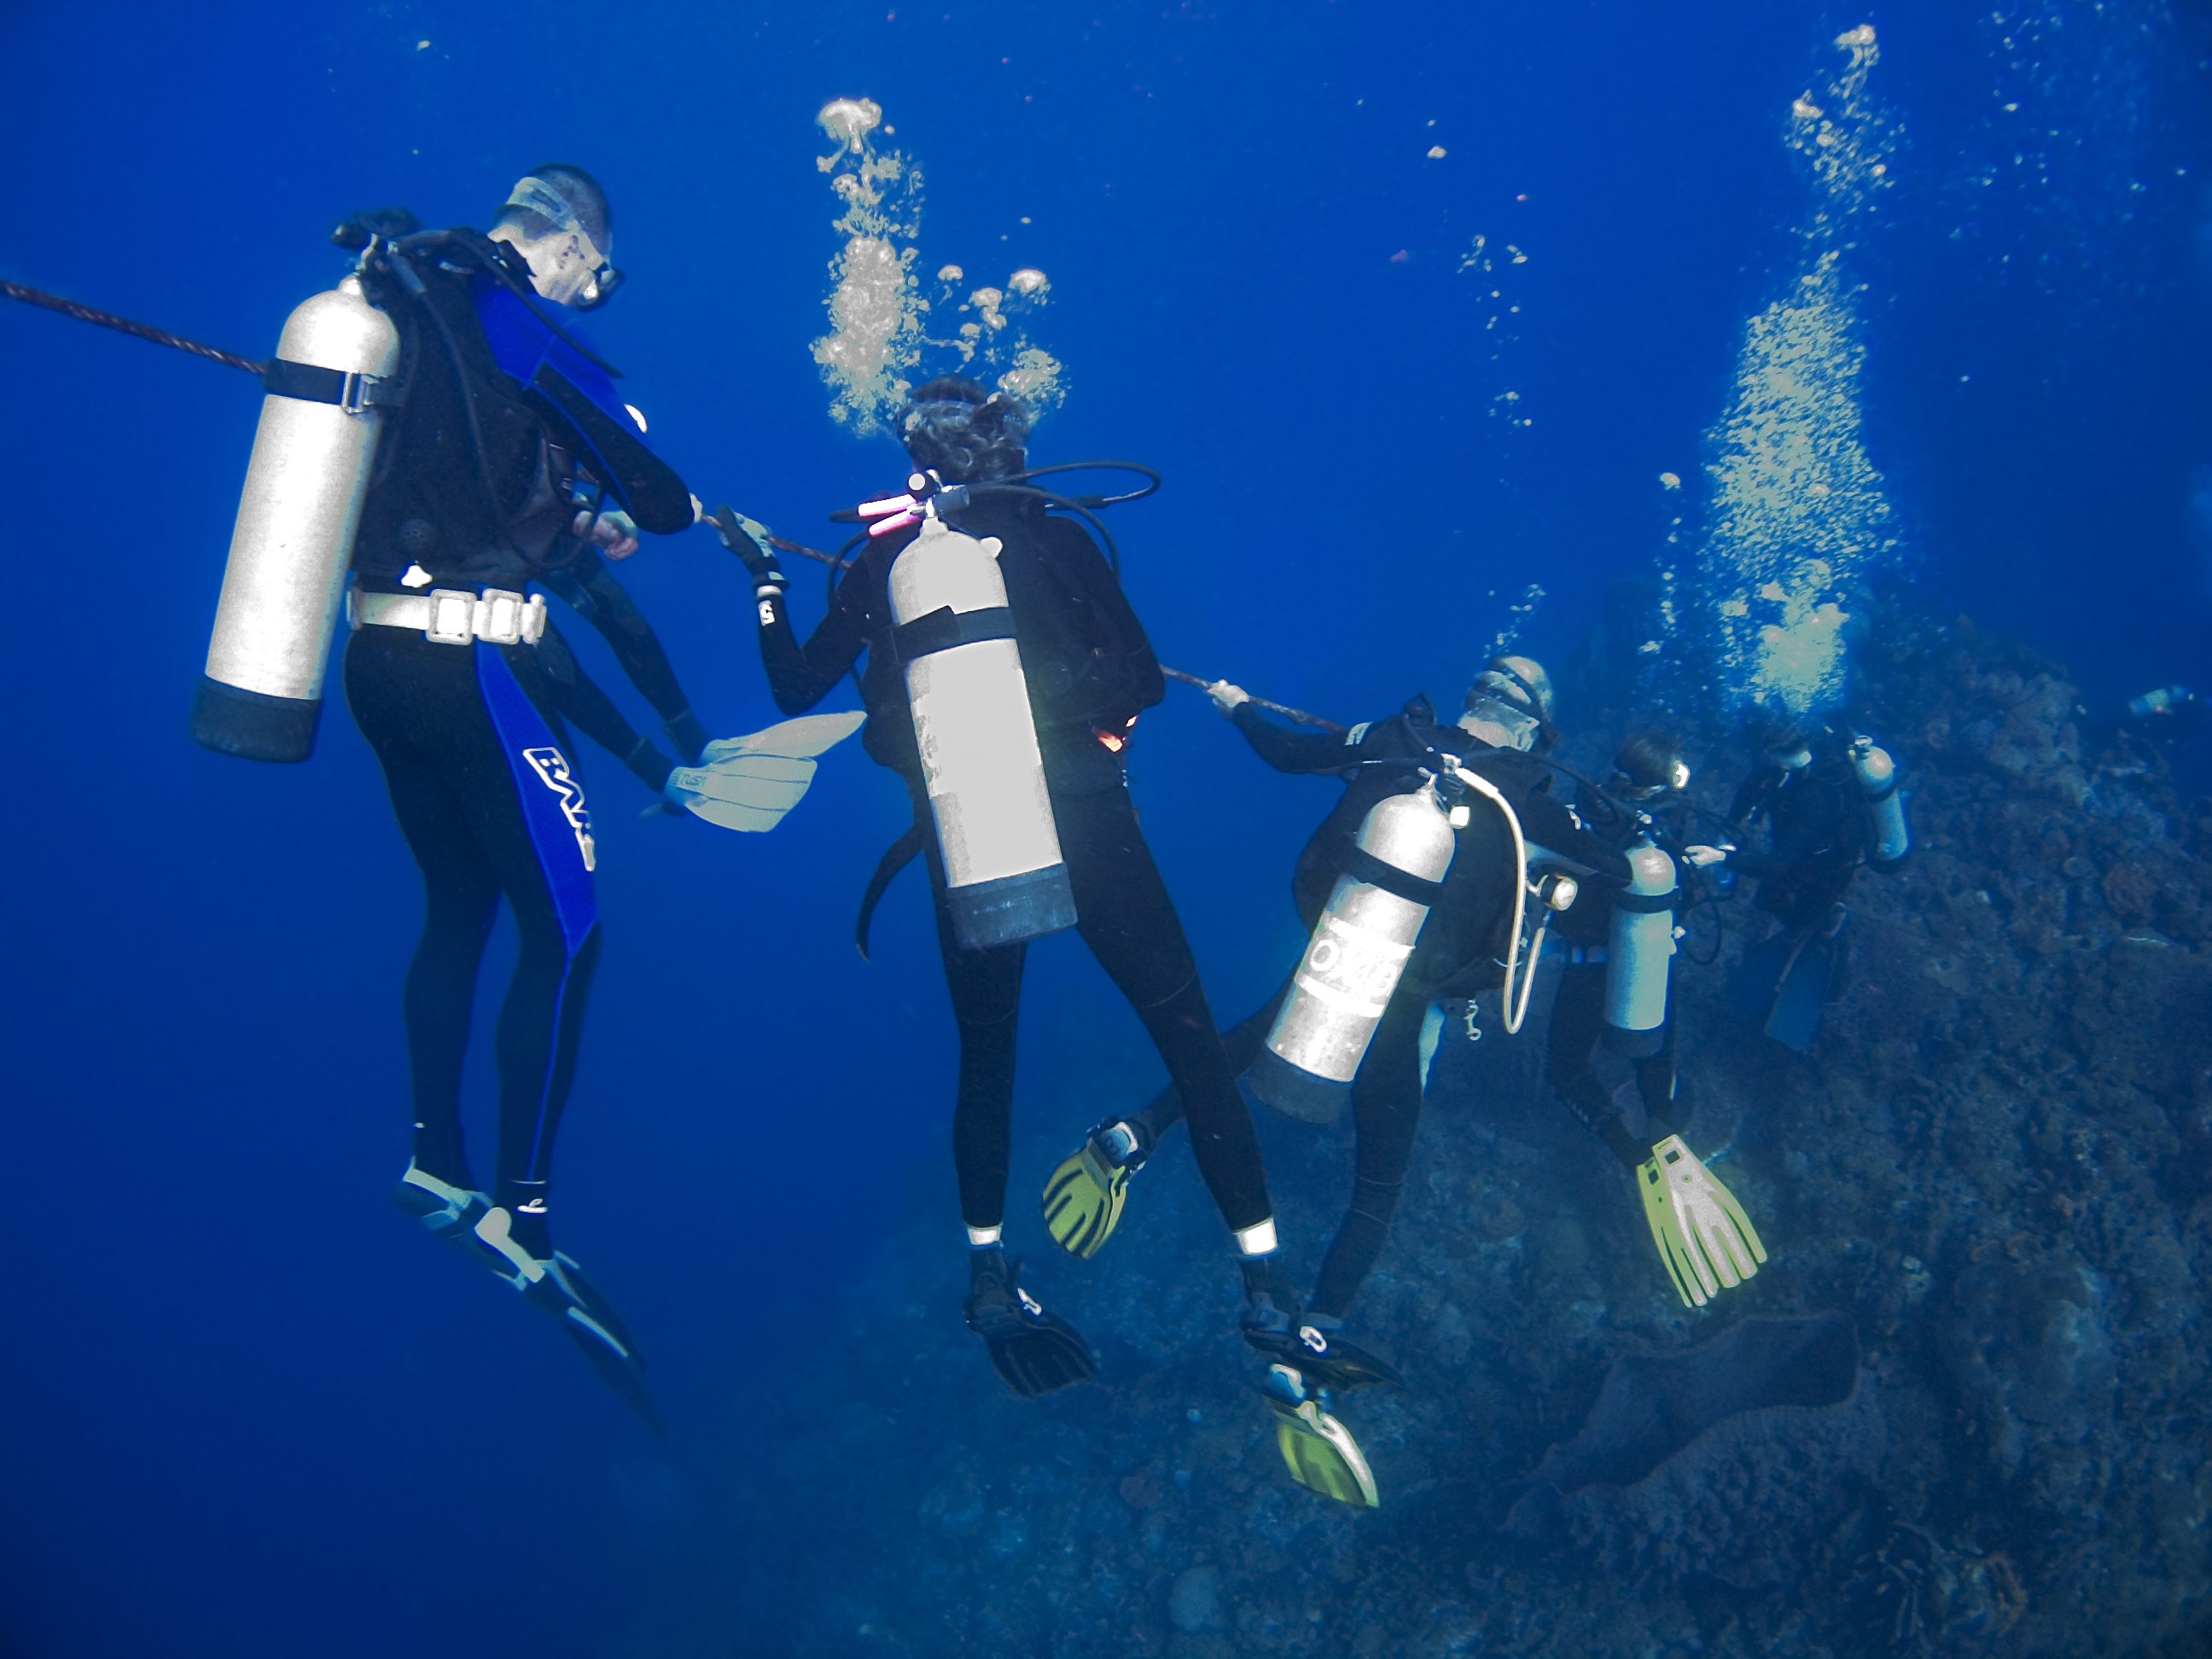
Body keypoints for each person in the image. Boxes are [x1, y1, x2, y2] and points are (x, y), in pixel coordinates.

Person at [1035, 658, 1751, 1503]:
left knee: (1240, 1041)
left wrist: (1232, 706)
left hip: (1341, 949)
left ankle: (1131, 1136)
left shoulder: (1394, 737)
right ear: (1537, 730)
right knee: (1379, 1182)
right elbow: (1621, 871)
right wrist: (1685, 863)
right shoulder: (1532, 791)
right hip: (1410, 990)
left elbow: (1289, 753)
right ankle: (1309, 1349)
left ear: (1473, 698)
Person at [714, 376, 1286, 1403]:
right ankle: (1266, 1290)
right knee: (1191, 1043)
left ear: (917, 462)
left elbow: (795, 688)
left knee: (988, 1060)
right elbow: (1146, 683)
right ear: (1009, 455)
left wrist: (764, 577)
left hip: (967, 825)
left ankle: (987, 1275)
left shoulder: (887, 560)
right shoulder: (1054, 537)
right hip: (1089, 814)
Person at [338, 166, 712, 1429]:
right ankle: (524, 1215)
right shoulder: (513, 315)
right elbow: (659, 497)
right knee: (570, 926)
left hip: (373, 661)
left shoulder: (398, 293)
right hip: (468, 665)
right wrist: (650, 487)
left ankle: (434, 1161)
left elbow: (457, 474)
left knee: (458, 910)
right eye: (594, 277)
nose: (590, 296)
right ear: (566, 247)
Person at [1533, 730, 1762, 1308]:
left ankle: (1631, 1155)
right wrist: (1715, 865)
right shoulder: (1665, 826)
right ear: (1669, 779)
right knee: (1656, 1071)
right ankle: (1668, 1139)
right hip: (1649, 967)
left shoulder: (1579, 808)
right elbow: (1696, 892)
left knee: (1565, 1071)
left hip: (1585, 971)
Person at [1724, 705, 1908, 1051]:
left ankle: (1830, 932)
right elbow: (1748, 798)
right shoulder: (1793, 762)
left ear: (1772, 746)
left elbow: (1779, 865)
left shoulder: (1816, 794)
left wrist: (1724, 858)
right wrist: (1728, 833)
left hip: (1827, 867)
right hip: (1798, 853)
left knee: (1805, 921)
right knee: (1771, 908)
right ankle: (1780, 953)